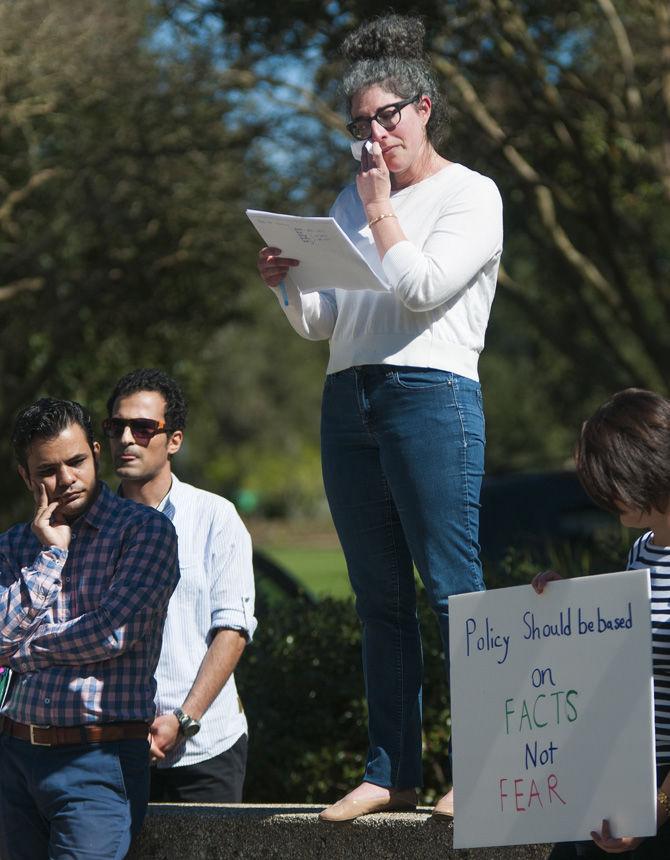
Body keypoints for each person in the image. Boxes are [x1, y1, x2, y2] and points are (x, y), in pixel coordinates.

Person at [257, 14, 503, 822]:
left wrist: (380, 209)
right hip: (349, 396)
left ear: (424, 107)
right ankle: (391, 771)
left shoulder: (471, 194)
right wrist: (288, 283)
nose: (373, 137)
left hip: (430, 396)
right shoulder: (348, 200)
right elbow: (325, 321)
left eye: (385, 118)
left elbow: (421, 288)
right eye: (359, 124)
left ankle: (487, 770)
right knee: (379, 597)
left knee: (453, 592)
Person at [0, 398, 180, 860]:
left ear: (96, 453)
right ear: (25, 476)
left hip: (98, 760)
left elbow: (112, 632)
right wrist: (50, 559)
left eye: (76, 461)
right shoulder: (16, 544)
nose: (65, 480)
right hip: (13, 757)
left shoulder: (145, 532)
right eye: (46, 470)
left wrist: (26, 649)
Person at [105, 369, 256, 802]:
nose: (127, 438)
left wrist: (182, 719)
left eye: (143, 427)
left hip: (205, 747)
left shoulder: (215, 518)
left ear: (174, 440)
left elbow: (233, 630)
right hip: (111, 747)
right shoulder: (89, 527)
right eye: (117, 427)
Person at [532, 388, 670, 858]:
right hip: (627, 764)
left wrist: (656, 807)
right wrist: (563, 606)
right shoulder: (644, 549)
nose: (607, 501)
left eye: (610, 483)